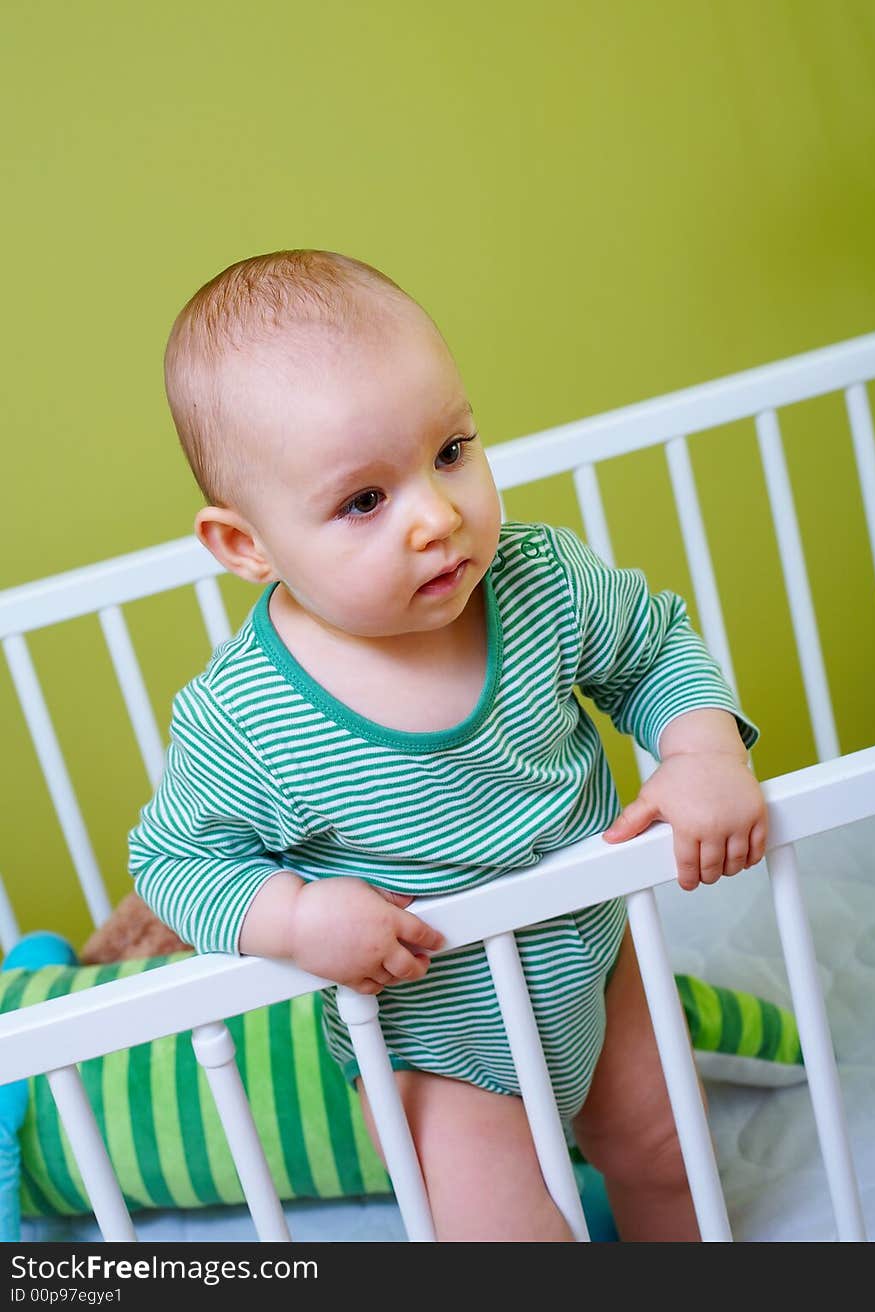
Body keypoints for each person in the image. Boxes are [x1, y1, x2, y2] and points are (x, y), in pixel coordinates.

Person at [129, 249, 767, 1242]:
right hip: (434, 1039)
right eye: (363, 501)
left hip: (597, 962)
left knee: (671, 1162)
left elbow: (650, 647)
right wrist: (293, 918)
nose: (436, 515)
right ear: (245, 546)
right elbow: (171, 860)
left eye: (451, 451)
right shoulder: (244, 720)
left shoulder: (537, 579)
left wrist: (703, 753)